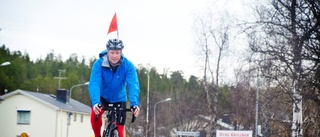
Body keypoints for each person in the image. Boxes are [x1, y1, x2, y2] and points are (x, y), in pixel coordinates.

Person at [88, 38, 140, 137]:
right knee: (95, 115)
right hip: (102, 97)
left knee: (120, 132)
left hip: (119, 98)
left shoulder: (128, 66)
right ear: (107, 52)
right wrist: (95, 102)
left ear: (121, 53)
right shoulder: (98, 64)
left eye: (117, 53)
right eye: (112, 52)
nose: (115, 56)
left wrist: (134, 104)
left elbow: (133, 85)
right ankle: (97, 135)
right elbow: (94, 83)